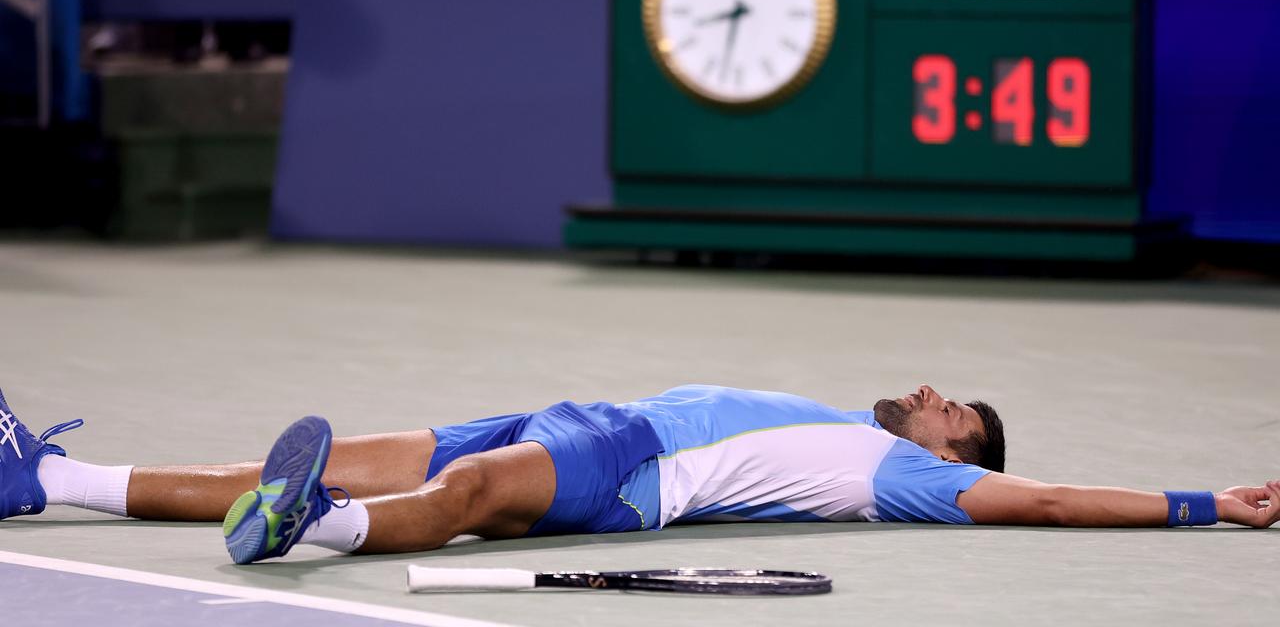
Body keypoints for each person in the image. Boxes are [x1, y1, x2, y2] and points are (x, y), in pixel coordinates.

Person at [1, 384, 1276, 565]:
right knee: (265, 463)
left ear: (957, 453)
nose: (935, 393)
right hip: (583, 412)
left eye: (961, 410)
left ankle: (318, 527)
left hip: (626, 468)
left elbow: (1047, 501)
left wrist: (1205, 502)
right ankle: (51, 486)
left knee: (466, 503)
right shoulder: (852, 417)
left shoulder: (911, 476)